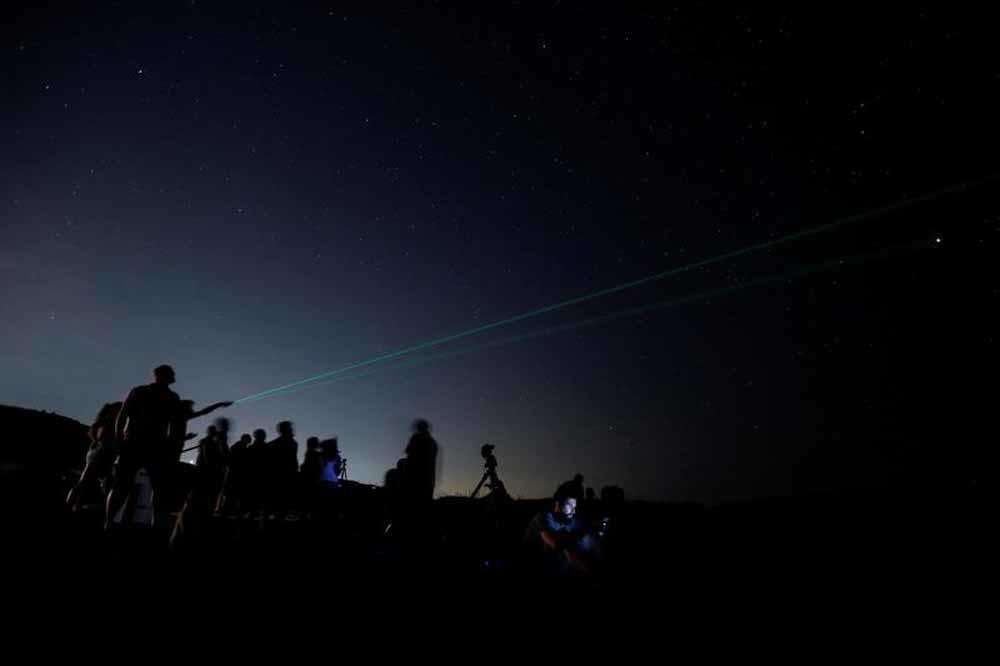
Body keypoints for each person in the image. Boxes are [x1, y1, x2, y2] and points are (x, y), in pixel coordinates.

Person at [105, 365, 181, 531]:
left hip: (146, 445)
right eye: (171, 373)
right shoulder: (160, 395)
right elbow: (123, 414)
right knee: (127, 486)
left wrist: (119, 438)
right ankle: (111, 523)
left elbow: (123, 414)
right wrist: (119, 438)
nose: (174, 376)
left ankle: (110, 524)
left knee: (131, 486)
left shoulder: (158, 394)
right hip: (142, 445)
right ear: (162, 375)